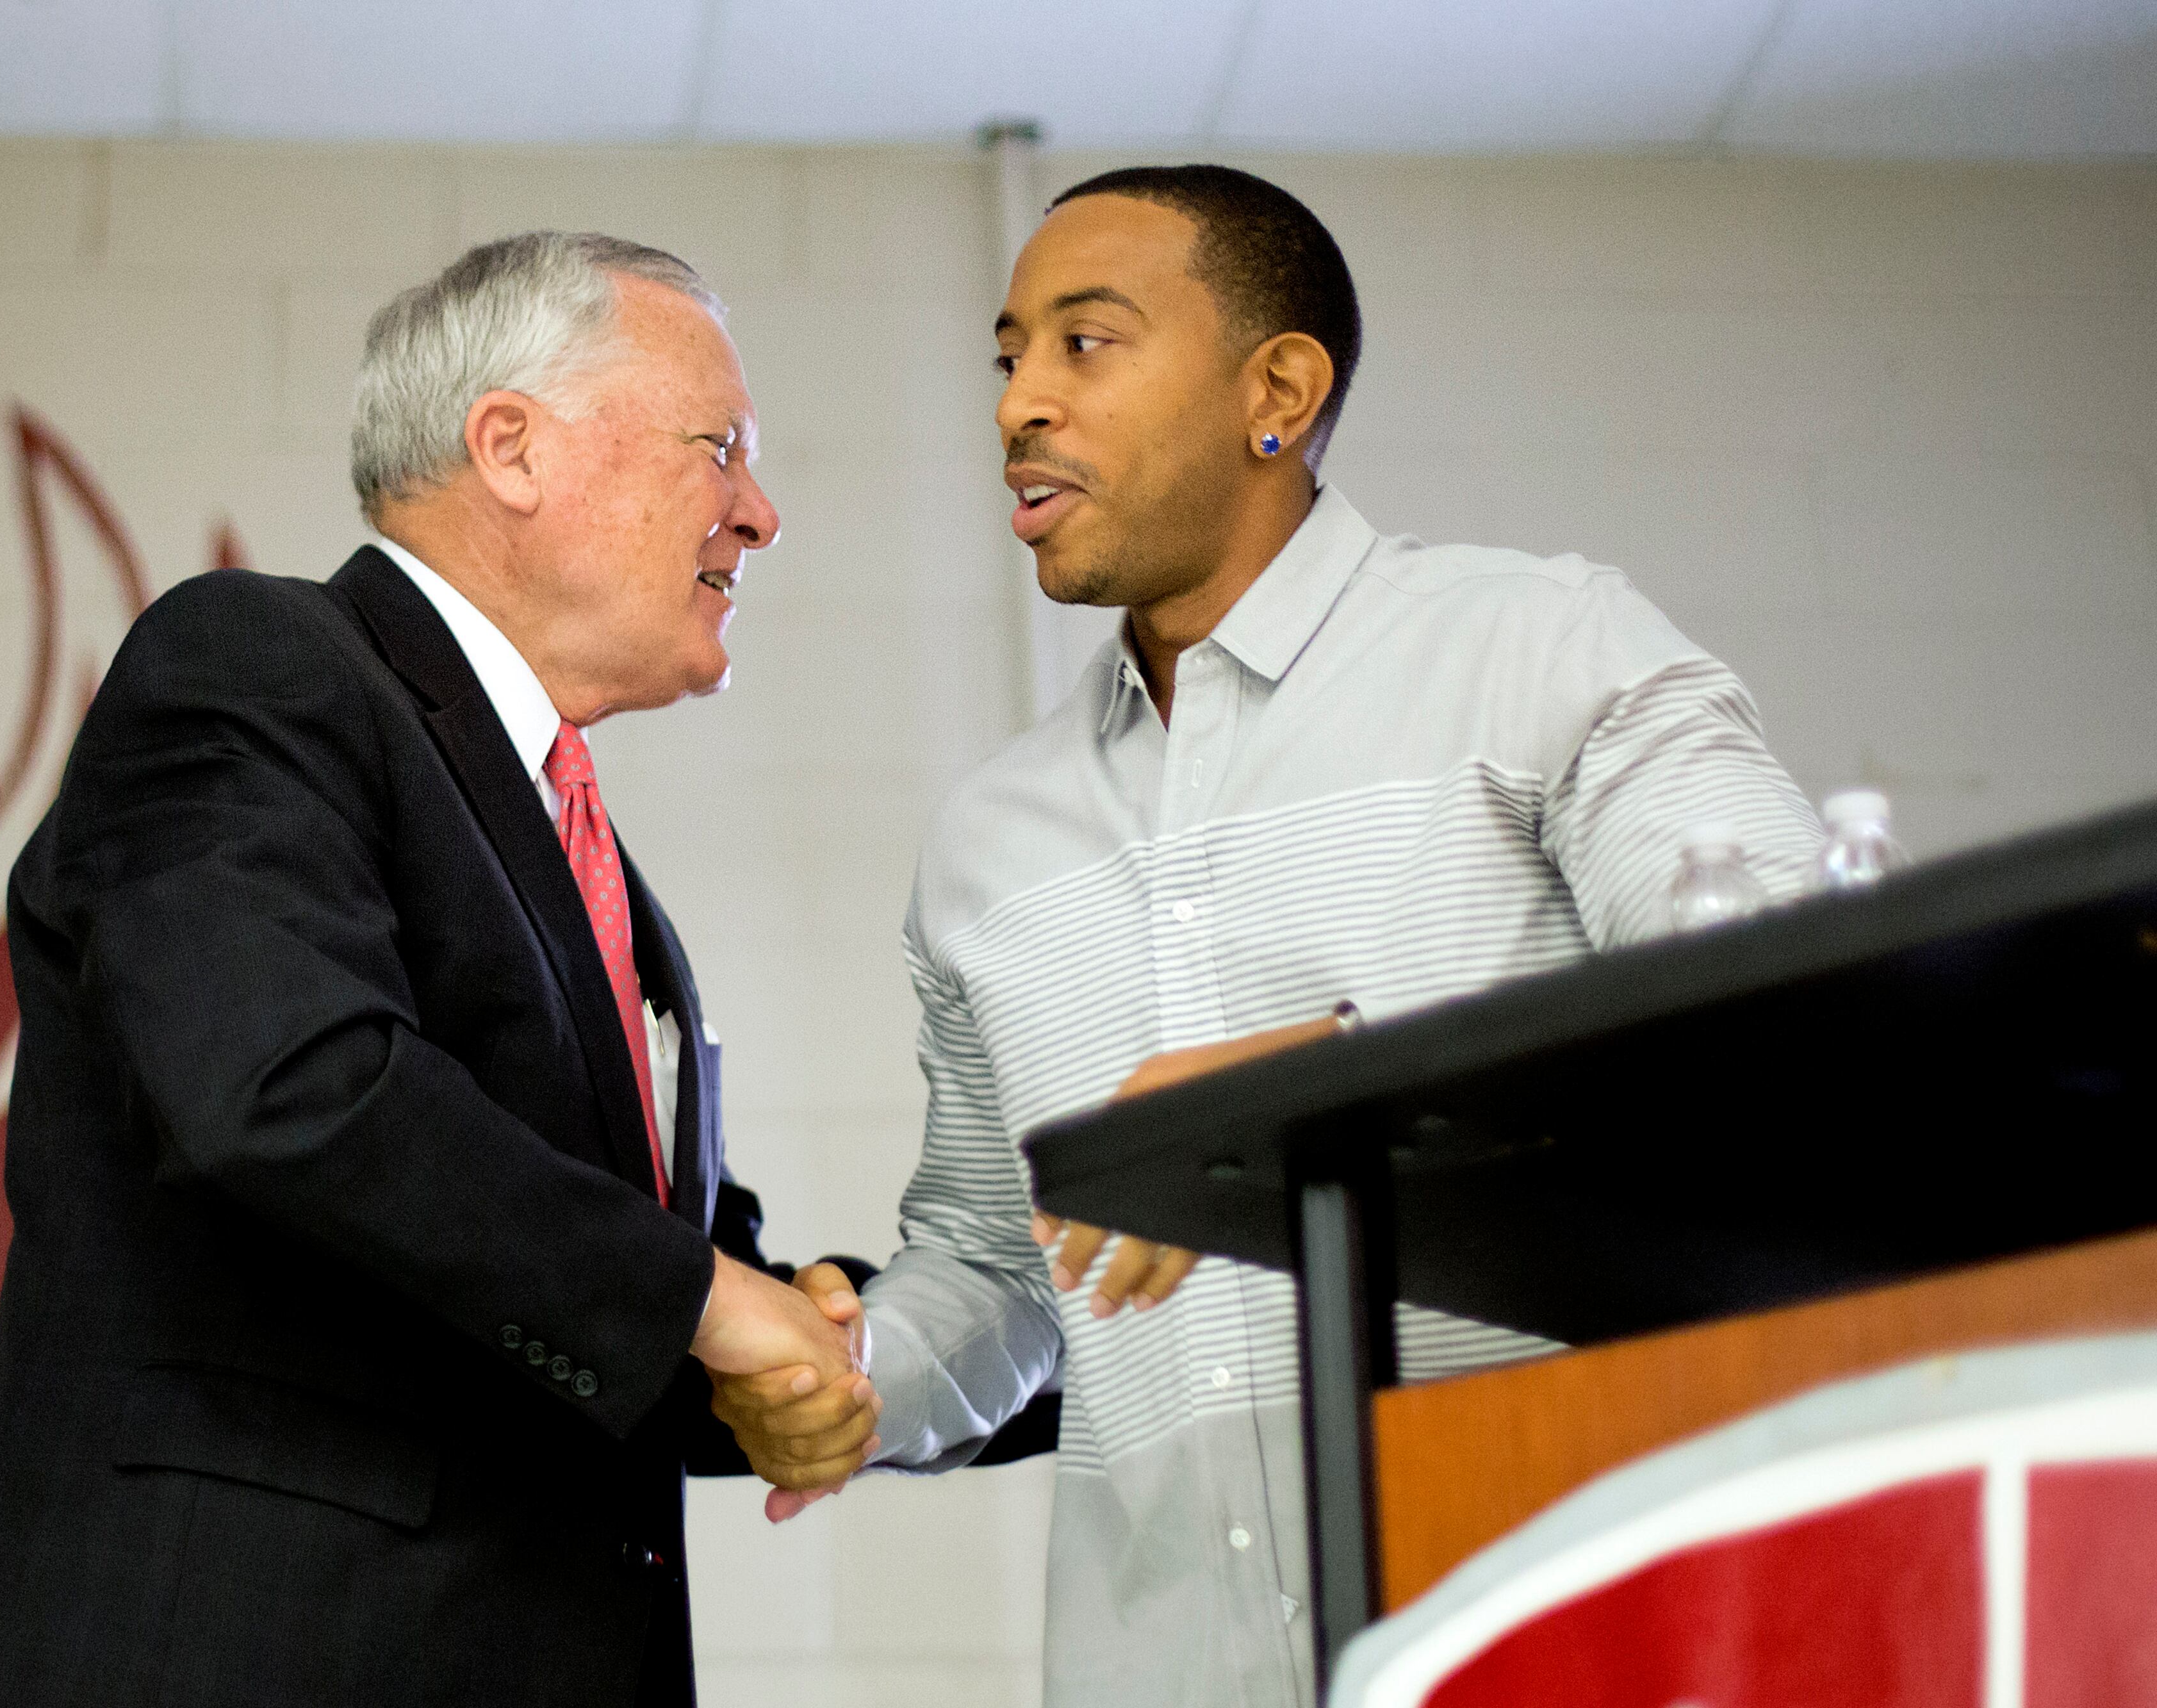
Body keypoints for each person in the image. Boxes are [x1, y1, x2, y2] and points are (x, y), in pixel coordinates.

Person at [709, 165, 1823, 1707]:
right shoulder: (985, 843)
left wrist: (1327, 1100)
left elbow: (1783, 1017)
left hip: (1583, 1647)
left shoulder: (1548, 651)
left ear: (1278, 392)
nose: (1020, 402)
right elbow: (999, 1263)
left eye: (1085, 344)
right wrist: (851, 1382)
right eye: (1007, 356)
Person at [0, 233, 878, 1708]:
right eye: (722, 448)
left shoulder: (587, 858)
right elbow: (288, 1082)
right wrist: (708, 1303)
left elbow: (595, 1282)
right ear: (511, 446)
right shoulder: (255, 660)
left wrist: (874, 1340)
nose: (762, 513)